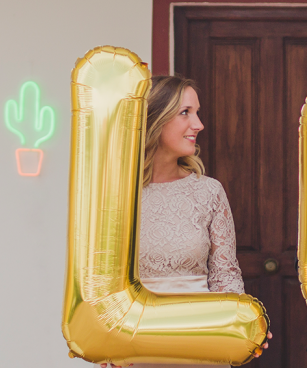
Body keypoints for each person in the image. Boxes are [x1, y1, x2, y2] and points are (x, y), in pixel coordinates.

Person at [100, 75, 270, 368]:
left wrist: (241, 325)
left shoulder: (209, 192)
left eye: (197, 112)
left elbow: (224, 277)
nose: (199, 124)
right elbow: (102, 283)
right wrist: (104, 343)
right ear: (155, 119)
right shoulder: (117, 196)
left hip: (202, 345)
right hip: (134, 350)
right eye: (185, 113)